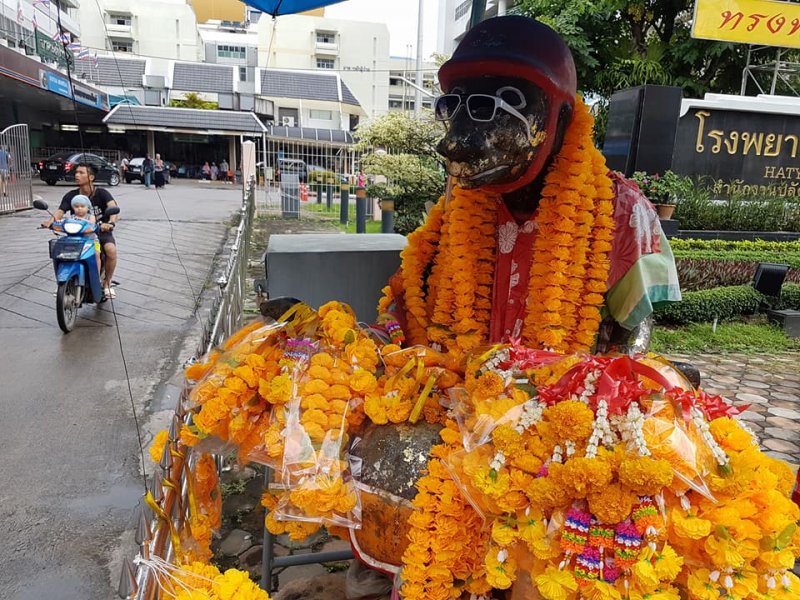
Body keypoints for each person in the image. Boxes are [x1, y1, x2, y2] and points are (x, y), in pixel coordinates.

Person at [380, 15, 680, 357]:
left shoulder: (621, 211)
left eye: (493, 107)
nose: (451, 143)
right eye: (456, 104)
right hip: (458, 400)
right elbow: (410, 299)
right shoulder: (460, 201)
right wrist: (377, 336)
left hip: (565, 401)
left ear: (561, 118)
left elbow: (634, 334)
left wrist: (611, 388)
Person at [42, 163, 120, 299]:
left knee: (110, 250)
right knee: (59, 250)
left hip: (100, 231)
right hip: (76, 233)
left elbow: (113, 208)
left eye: (81, 173)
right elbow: (60, 212)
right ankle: (63, 282)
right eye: (76, 172)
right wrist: (50, 222)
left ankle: (106, 283)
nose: (77, 175)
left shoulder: (102, 193)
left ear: (91, 177)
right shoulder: (71, 196)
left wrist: (111, 223)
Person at [66, 194, 101, 274]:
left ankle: (97, 275)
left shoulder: (91, 216)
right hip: (75, 240)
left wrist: (82, 220)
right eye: (76, 206)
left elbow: (92, 224)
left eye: (82, 206)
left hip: (92, 240)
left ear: (87, 207)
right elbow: (65, 222)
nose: (79, 209)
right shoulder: (72, 217)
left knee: (97, 254)